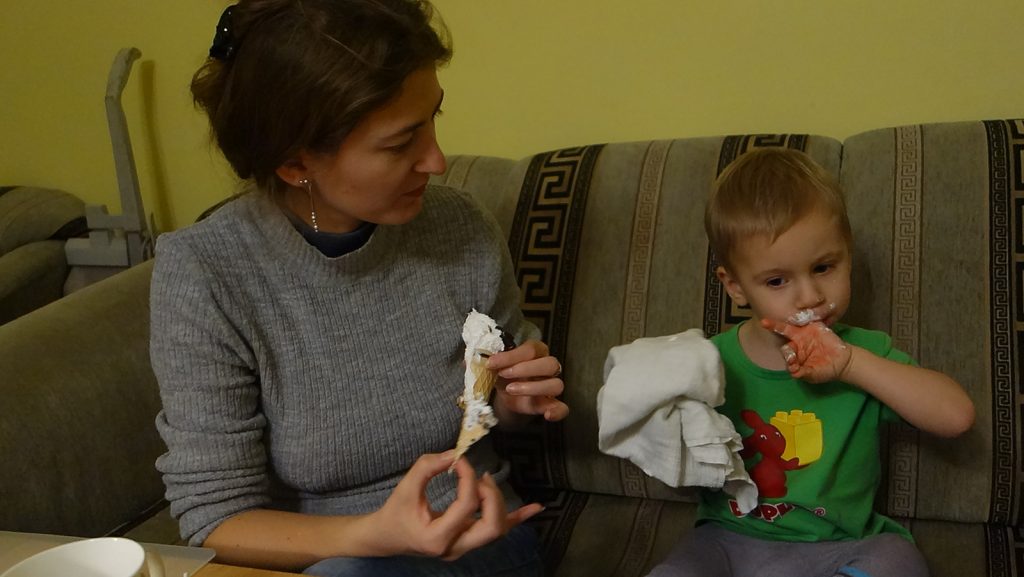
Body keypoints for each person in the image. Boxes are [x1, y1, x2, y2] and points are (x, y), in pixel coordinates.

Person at [150, 2, 568, 576]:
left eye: (434, 118)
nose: (436, 160)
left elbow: (488, 403)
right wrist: (373, 535)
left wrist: (514, 401)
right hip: (321, 554)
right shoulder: (206, 273)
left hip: (475, 533)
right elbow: (215, 520)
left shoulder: (460, 226)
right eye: (400, 144)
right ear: (296, 163)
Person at [647, 148, 975, 577]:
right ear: (736, 287)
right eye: (777, 280)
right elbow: (672, 471)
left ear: (848, 254)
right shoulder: (707, 364)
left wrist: (852, 365)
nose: (810, 297)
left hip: (838, 547)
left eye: (823, 267)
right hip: (728, 541)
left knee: (899, 559)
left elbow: (957, 417)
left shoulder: (862, 353)